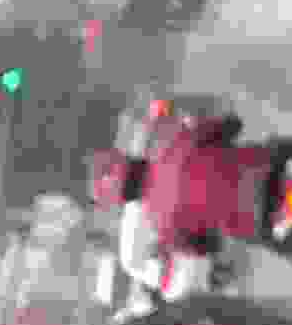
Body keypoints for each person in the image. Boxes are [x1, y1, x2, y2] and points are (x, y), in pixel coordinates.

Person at [93, 103, 275, 254]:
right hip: (266, 166)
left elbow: (207, 248)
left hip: (259, 220)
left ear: (126, 199)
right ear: (134, 159)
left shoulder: (161, 224)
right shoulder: (177, 143)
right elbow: (232, 126)